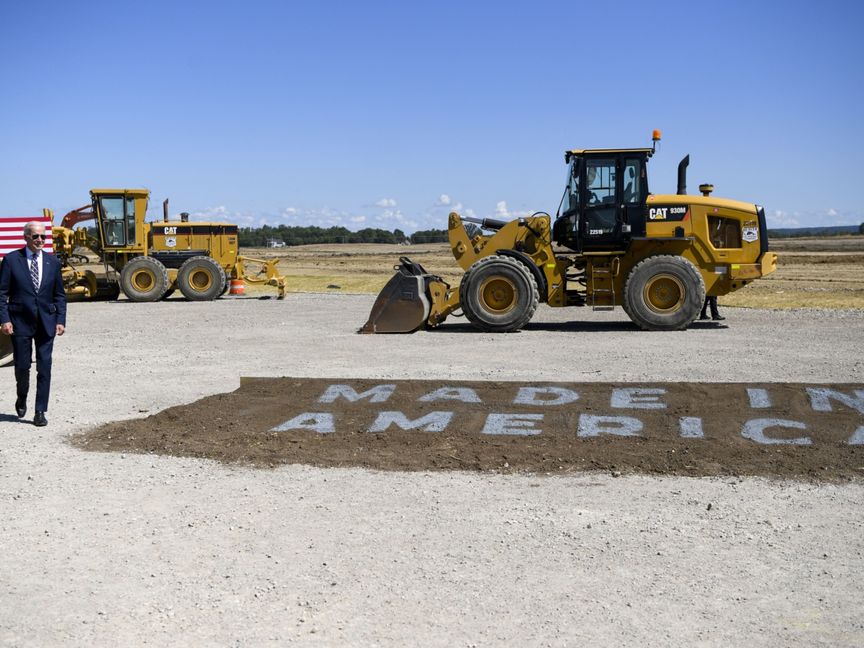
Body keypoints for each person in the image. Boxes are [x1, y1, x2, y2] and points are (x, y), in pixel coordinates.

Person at [0, 221, 67, 426]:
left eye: (43, 237)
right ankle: (22, 396)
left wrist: (61, 320)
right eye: (35, 236)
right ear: (26, 237)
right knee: (22, 365)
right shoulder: (11, 260)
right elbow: (2, 294)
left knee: (45, 367)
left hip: (46, 323)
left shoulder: (52, 262)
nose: (40, 240)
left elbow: (59, 295)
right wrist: (4, 319)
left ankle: (40, 411)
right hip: (19, 322)